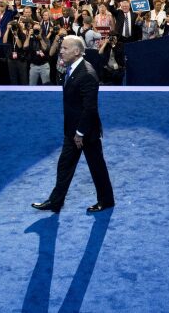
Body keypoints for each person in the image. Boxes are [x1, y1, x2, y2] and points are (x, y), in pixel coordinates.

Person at [32, 35, 114, 214]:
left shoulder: (87, 74)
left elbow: (89, 108)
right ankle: (55, 202)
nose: (61, 51)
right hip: (72, 131)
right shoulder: (72, 68)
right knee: (64, 165)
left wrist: (80, 133)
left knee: (96, 167)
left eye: (65, 48)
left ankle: (106, 201)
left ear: (77, 52)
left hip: (85, 132)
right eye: (61, 48)